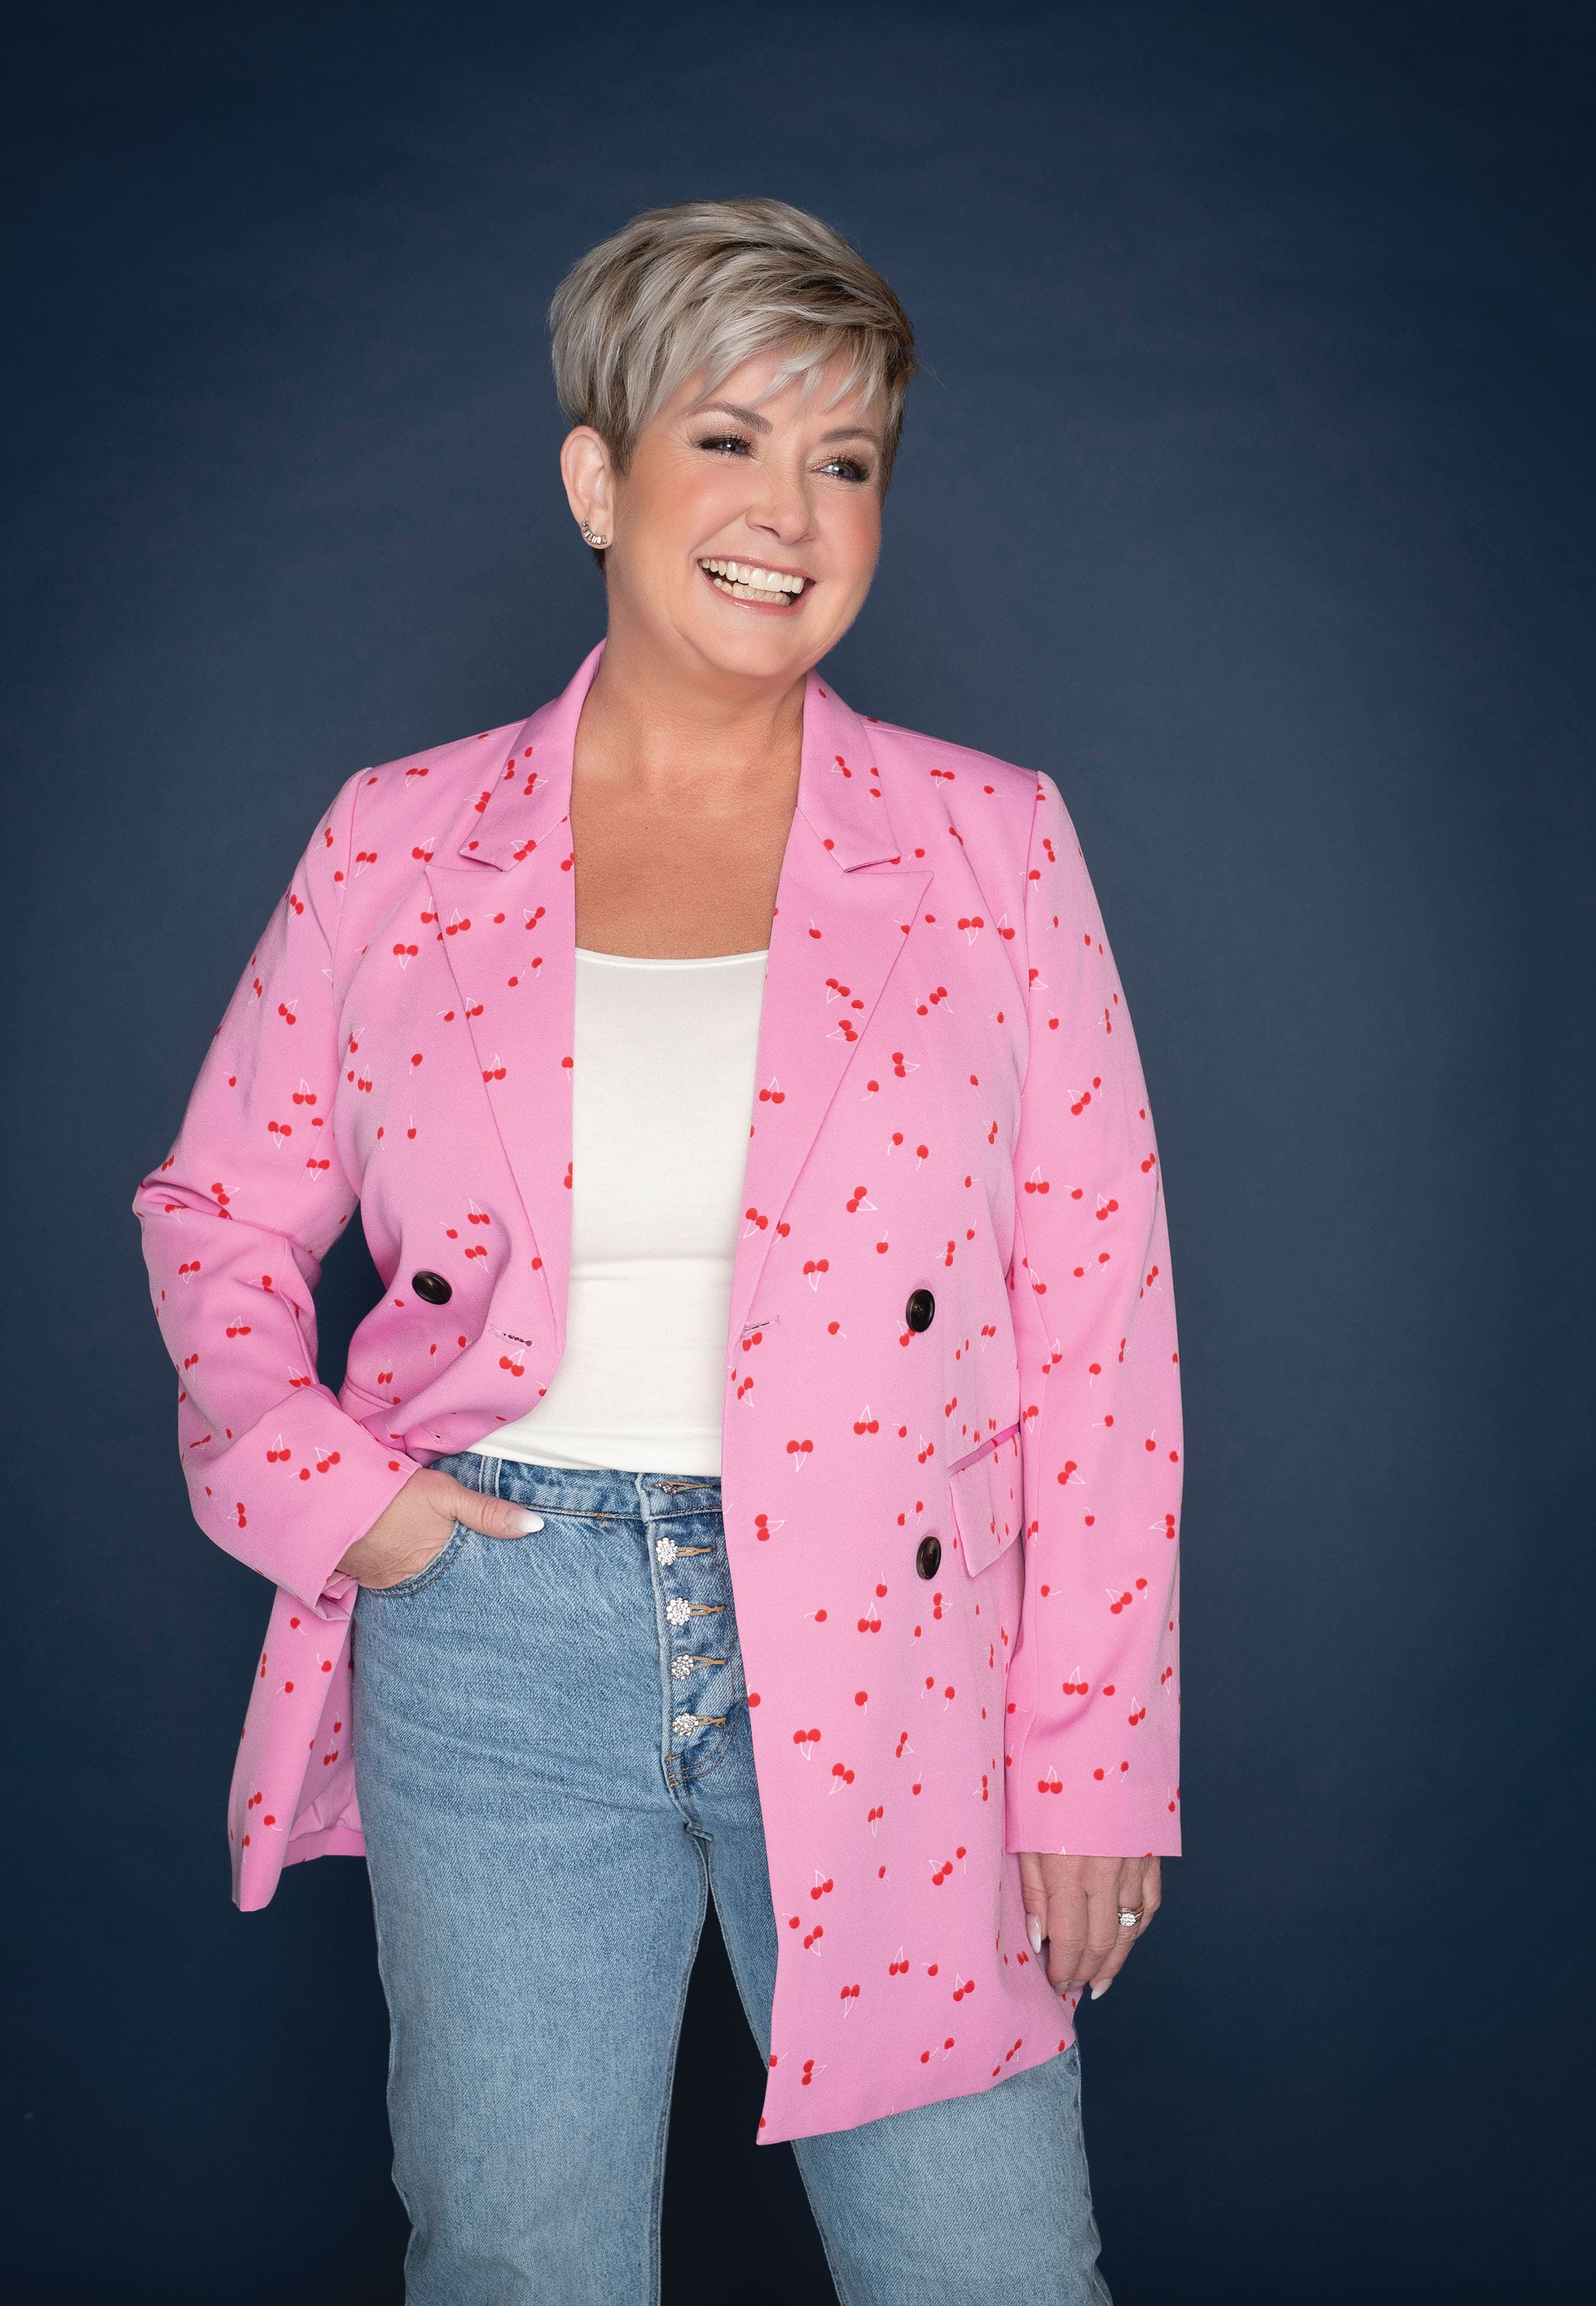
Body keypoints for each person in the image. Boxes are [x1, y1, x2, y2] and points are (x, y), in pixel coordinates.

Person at [134, 197, 1182, 2305]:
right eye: (728, 439)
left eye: (845, 458)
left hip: (895, 1633)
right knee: (517, 2256)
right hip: (495, 1628)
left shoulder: (992, 839)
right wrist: (345, 1502)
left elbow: (1098, 1320)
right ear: (596, 480)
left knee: (981, 2264)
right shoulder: (396, 834)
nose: (791, 511)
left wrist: (1091, 1759)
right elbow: (218, 1209)